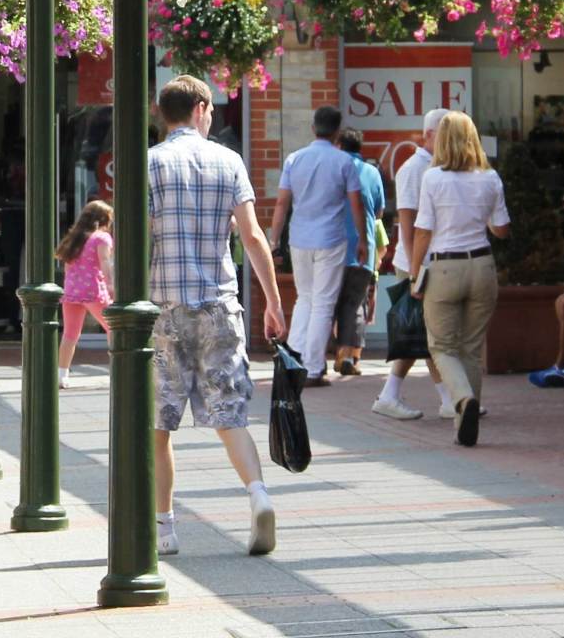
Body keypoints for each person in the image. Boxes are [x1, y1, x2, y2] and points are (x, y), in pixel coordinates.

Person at [148, 75, 288, 557]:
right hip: (219, 306)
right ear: (202, 108)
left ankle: (164, 527)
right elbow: (251, 236)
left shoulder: (149, 164)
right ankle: (258, 495)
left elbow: (138, 236)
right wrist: (272, 299)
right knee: (230, 414)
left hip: (164, 308)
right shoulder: (228, 161)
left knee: (160, 421)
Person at [406, 111, 509, 447]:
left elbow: (423, 231)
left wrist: (414, 272)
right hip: (481, 264)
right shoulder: (490, 177)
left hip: (444, 266)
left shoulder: (433, 178)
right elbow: (501, 229)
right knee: (471, 347)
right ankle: (468, 419)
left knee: (442, 346)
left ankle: (462, 399)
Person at [269, 105, 366, 386]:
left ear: (313, 128)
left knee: (305, 298)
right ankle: (311, 367)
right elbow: (356, 205)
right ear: (337, 132)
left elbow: (281, 203)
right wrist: (362, 240)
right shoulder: (343, 162)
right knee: (323, 303)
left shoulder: (294, 159)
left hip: (299, 238)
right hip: (331, 239)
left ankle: (293, 360)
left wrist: (274, 241)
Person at [373, 108, 451, 421]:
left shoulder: (435, 166)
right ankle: (396, 394)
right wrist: (415, 267)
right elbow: (407, 222)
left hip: (428, 260)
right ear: (430, 135)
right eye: (446, 134)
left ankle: (446, 398)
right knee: (419, 329)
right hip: (417, 262)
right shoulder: (413, 169)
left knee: (424, 331)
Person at [330, 128, 385, 377]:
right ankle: (349, 355)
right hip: (365, 248)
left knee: (327, 303)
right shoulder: (372, 172)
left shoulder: (334, 168)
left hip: (333, 245)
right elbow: (380, 212)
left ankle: (321, 358)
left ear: (339, 145)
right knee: (355, 304)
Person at [55, 199, 114, 388]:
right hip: (93, 289)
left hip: (72, 290)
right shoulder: (101, 238)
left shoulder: (75, 238)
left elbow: (67, 266)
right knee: (114, 327)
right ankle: (118, 370)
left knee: (70, 334)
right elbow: (104, 262)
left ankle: (62, 374)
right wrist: (111, 284)